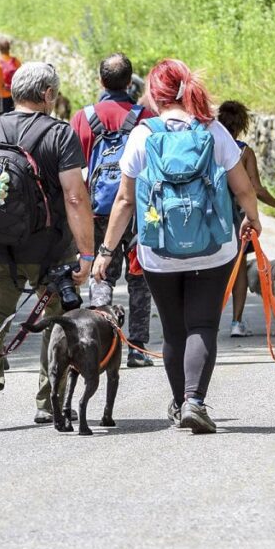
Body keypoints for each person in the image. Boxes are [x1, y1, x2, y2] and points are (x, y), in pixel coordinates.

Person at [92, 59, 261, 434]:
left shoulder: (142, 134)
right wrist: (253, 218)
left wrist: (106, 251)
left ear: (154, 93)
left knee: (173, 331)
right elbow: (243, 187)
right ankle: (194, 401)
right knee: (202, 324)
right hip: (214, 246)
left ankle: (181, 402)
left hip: (159, 250)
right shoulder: (214, 130)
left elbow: (123, 200)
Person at [0, 62, 95, 430]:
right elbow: (75, 197)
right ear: (48, 94)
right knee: (56, 320)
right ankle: (48, 401)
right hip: (50, 251)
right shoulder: (60, 134)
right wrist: (86, 253)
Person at [68, 53, 155, 368]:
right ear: (130, 82)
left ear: (100, 80)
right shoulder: (145, 117)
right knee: (139, 279)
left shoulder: (83, 117)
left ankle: (101, 347)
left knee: (100, 275)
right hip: (136, 211)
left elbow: (73, 171)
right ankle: (138, 347)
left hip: (96, 211)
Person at [218, 100, 275, 338]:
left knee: (208, 270)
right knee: (239, 269)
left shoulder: (207, 146)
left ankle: (205, 322)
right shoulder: (244, 152)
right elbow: (257, 189)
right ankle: (236, 322)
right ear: (242, 124)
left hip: (210, 217)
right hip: (237, 219)